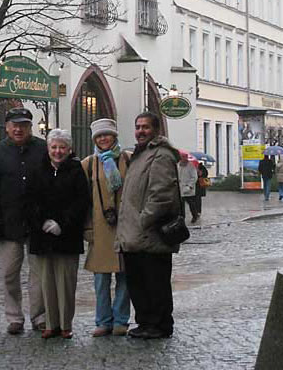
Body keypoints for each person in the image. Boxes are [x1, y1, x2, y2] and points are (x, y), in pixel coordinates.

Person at [116, 111, 182, 340]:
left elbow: (161, 195)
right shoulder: (141, 153)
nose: (140, 131)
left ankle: (159, 325)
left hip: (150, 234)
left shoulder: (160, 155)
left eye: (145, 127)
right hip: (135, 234)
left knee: (155, 283)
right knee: (139, 283)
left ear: (156, 129)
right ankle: (146, 323)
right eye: (138, 127)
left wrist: (143, 220)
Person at [0, 107, 47, 334]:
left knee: (39, 274)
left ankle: (39, 316)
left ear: (30, 127)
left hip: (37, 222)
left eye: (23, 125)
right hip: (8, 221)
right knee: (9, 273)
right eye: (14, 125)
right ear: (7, 128)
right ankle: (14, 317)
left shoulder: (43, 149)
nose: (18, 129)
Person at [28, 129, 90, 339]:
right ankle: (50, 323)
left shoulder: (76, 170)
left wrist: (62, 223)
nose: (58, 151)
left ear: (69, 149)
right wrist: (42, 222)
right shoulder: (38, 169)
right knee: (46, 282)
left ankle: (65, 324)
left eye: (62, 147)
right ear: (48, 149)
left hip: (67, 235)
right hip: (42, 235)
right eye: (54, 147)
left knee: (65, 283)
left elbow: (81, 202)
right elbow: (30, 199)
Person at [81, 118, 132, 337]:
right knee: (101, 279)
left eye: (107, 134)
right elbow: (83, 199)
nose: (103, 139)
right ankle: (103, 321)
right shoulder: (89, 164)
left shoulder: (128, 159)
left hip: (125, 227)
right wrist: (87, 228)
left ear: (114, 136)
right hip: (100, 228)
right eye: (99, 136)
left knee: (125, 276)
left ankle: (121, 320)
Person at [178, 155, 199, 224]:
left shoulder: (191, 166)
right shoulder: (178, 165)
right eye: (181, 157)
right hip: (180, 188)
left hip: (188, 188)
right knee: (181, 205)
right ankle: (182, 217)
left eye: (184, 157)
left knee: (191, 203)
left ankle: (195, 216)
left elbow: (194, 177)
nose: (182, 159)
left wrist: (190, 186)